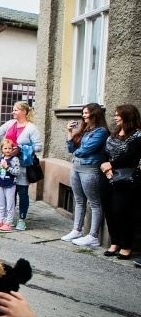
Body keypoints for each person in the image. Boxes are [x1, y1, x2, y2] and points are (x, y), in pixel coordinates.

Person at [61, 103, 109, 246]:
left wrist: (77, 151)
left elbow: (85, 150)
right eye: (83, 113)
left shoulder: (101, 132)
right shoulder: (85, 130)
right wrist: (69, 131)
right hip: (76, 168)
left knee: (94, 203)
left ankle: (93, 236)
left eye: (86, 113)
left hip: (90, 170)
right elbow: (70, 148)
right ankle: (77, 230)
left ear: (95, 114)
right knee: (79, 200)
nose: (84, 115)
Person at [98, 104, 141, 260]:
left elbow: (132, 156)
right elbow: (104, 152)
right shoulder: (114, 134)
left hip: (124, 179)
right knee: (108, 210)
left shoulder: (137, 136)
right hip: (107, 176)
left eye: (118, 115)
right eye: (115, 114)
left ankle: (126, 245)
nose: (115, 117)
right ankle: (115, 242)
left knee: (120, 212)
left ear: (127, 117)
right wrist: (106, 167)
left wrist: (112, 165)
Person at [0, 102, 43, 230]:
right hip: (7, 164)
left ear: (24, 112)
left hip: (23, 166)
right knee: (10, 192)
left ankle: (22, 219)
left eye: (16, 110)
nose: (13, 112)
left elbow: (39, 146)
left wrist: (21, 148)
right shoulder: (10, 124)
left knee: (22, 192)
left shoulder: (31, 128)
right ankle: (10, 219)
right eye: (13, 110)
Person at [0, 139, 21, 231]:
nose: (7, 150)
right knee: (1, 204)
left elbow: (17, 172)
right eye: (5, 148)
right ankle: (0, 220)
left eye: (10, 148)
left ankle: (8, 222)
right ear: (1, 149)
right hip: (1, 184)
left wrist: (7, 167)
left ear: (12, 149)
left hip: (10, 184)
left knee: (10, 204)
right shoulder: (1, 159)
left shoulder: (14, 159)